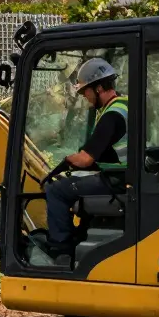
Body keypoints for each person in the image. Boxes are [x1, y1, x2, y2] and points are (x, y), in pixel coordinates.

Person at [44, 57, 128, 266]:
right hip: (125, 175)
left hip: (117, 180)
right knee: (75, 187)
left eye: (85, 92)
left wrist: (67, 161)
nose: (85, 97)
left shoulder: (112, 115)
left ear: (99, 88)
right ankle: (80, 238)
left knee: (56, 190)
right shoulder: (125, 105)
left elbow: (85, 159)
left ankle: (61, 251)